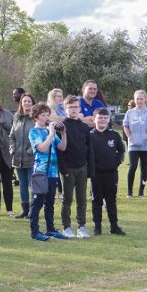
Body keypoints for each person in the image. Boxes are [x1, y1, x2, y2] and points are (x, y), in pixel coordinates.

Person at [28, 103, 69, 242]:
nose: (46, 118)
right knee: (37, 203)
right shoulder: (33, 132)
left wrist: (63, 133)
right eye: (43, 115)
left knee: (50, 202)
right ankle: (34, 232)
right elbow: (42, 149)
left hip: (53, 173)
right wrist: (51, 134)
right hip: (40, 172)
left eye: (47, 115)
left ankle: (50, 229)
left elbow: (62, 147)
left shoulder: (48, 132)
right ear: (36, 117)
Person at [87, 107, 127, 235]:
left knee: (111, 200)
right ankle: (97, 227)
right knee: (96, 200)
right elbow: (85, 153)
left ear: (109, 119)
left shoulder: (114, 135)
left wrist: (116, 163)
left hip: (111, 173)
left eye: (105, 117)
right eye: (100, 117)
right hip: (96, 174)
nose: (102, 120)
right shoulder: (89, 136)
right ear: (94, 119)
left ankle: (114, 226)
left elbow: (121, 151)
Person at [58, 96, 92, 238]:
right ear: (65, 109)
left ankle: (81, 226)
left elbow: (89, 149)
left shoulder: (84, 127)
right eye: (70, 107)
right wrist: (63, 169)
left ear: (79, 109)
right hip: (68, 169)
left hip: (82, 167)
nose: (73, 110)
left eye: (76, 107)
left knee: (82, 199)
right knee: (67, 199)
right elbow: (59, 151)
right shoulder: (61, 127)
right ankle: (66, 227)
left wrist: (90, 169)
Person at [8, 93, 38, 218]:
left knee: (32, 186)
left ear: (33, 103)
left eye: (29, 101)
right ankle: (24, 210)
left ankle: (32, 210)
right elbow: (11, 136)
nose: (26, 103)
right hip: (18, 158)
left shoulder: (36, 119)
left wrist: (31, 150)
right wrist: (12, 149)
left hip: (31, 158)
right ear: (21, 103)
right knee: (23, 185)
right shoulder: (17, 118)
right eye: (24, 101)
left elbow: (39, 136)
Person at [123, 90, 147, 198]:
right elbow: (125, 125)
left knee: (144, 167)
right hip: (133, 145)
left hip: (145, 145)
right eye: (137, 99)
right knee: (133, 166)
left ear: (145, 99)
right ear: (134, 99)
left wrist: (144, 137)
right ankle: (129, 192)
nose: (139, 101)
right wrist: (130, 137)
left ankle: (141, 192)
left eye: (141, 99)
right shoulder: (130, 112)